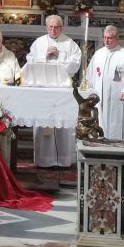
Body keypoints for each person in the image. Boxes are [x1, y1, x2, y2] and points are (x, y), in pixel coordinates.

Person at [25, 15, 81, 167]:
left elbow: (75, 65)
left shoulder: (69, 43)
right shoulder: (39, 42)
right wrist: (44, 56)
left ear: (61, 28)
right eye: (50, 27)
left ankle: (64, 159)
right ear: (46, 27)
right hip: (43, 89)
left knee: (63, 123)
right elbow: (30, 61)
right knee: (44, 122)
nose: (53, 30)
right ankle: (44, 159)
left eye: (56, 27)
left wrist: (60, 55)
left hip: (62, 90)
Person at [87, 25, 124, 140]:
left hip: (118, 96)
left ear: (117, 38)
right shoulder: (98, 54)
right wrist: (89, 89)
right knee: (101, 117)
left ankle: (117, 141)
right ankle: (100, 138)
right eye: (105, 37)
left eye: (110, 38)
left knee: (116, 119)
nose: (106, 41)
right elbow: (90, 74)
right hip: (101, 95)